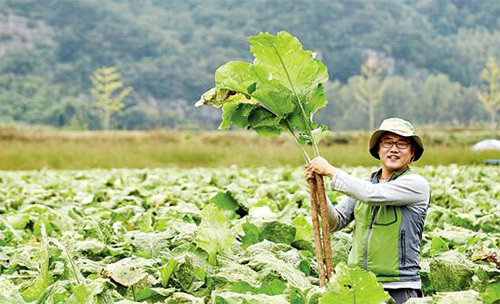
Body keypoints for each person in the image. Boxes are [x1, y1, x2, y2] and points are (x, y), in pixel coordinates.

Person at [305, 118, 430, 304]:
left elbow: (372, 194)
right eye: (388, 143)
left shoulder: (416, 185)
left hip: (398, 287)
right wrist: (316, 191)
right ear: (378, 150)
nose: (394, 149)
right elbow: (335, 222)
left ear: (412, 152)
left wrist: (330, 170)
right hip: (359, 285)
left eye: (402, 144)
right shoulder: (364, 185)